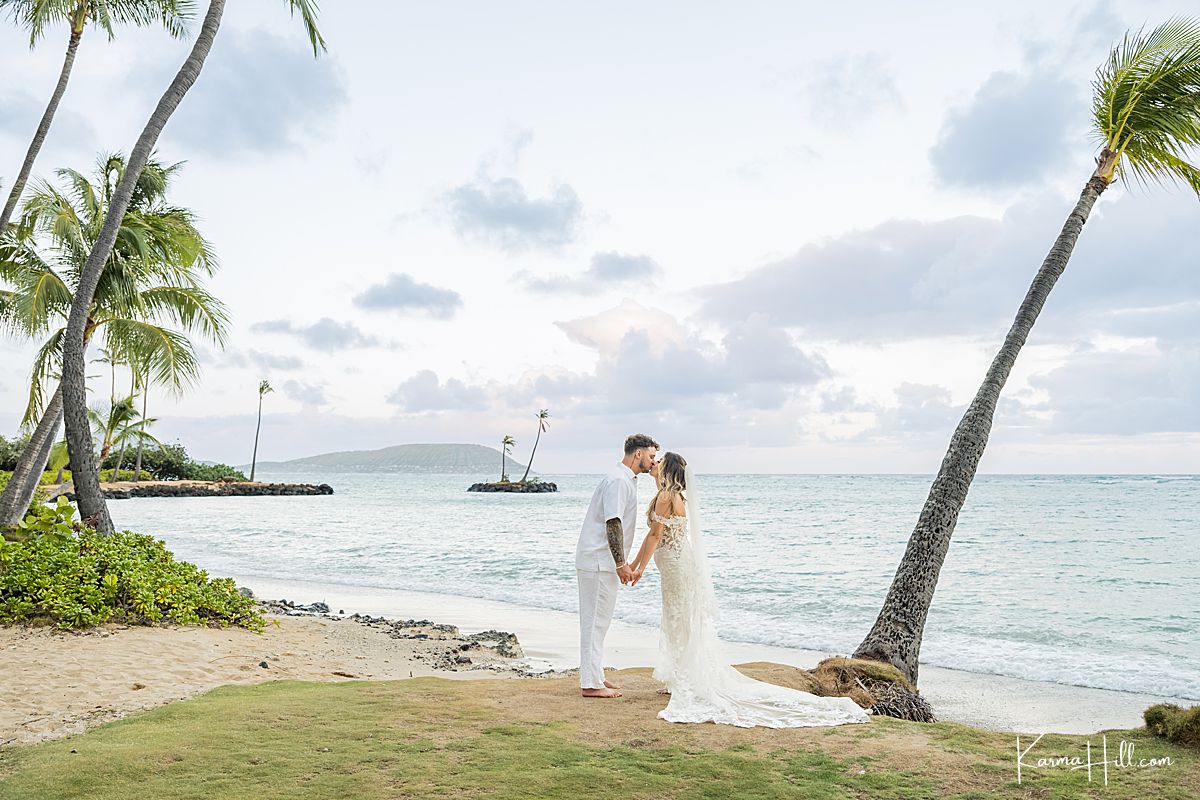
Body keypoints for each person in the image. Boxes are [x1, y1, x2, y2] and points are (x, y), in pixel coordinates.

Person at [627, 452, 871, 727]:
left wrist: (638, 568)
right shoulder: (678, 497)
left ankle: (685, 679)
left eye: (659, 460)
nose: (654, 463)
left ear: (667, 469)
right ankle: (684, 675)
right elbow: (657, 537)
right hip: (680, 563)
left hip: (675, 565)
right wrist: (635, 563)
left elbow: (655, 535)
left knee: (677, 619)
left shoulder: (666, 496)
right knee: (682, 619)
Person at [575, 433, 659, 698]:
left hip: (600, 561)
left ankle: (595, 674)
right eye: (651, 456)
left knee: (599, 620)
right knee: (595, 622)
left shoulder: (624, 479)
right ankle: (590, 684)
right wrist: (621, 562)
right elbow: (614, 523)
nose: (653, 461)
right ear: (638, 454)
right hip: (599, 561)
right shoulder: (618, 481)